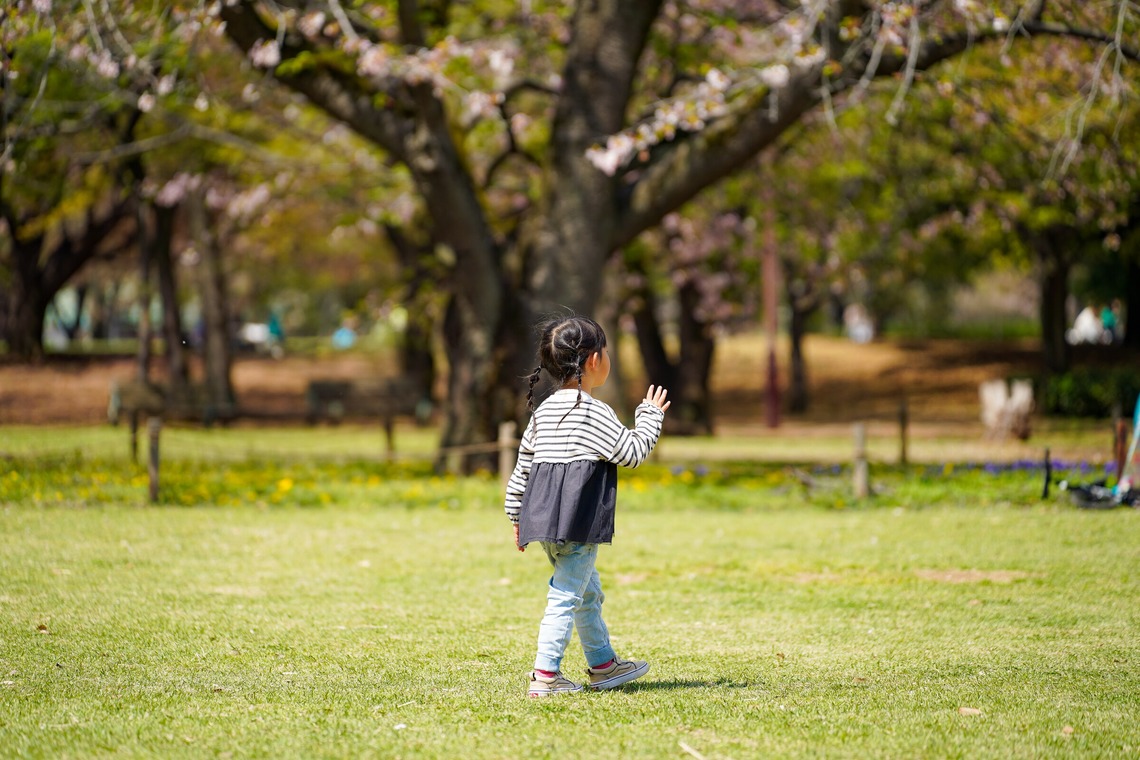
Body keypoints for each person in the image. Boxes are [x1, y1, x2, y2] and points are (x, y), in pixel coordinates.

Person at [504, 314, 671, 697]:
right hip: (578, 522)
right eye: (606, 351)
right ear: (593, 361)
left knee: (585, 592)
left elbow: (522, 470)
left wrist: (516, 517)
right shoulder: (593, 411)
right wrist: (649, 417)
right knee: (565, 596)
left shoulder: (542, 412)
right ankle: (546, 676)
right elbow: (631, 452)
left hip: (546, 523)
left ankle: (603, 665)